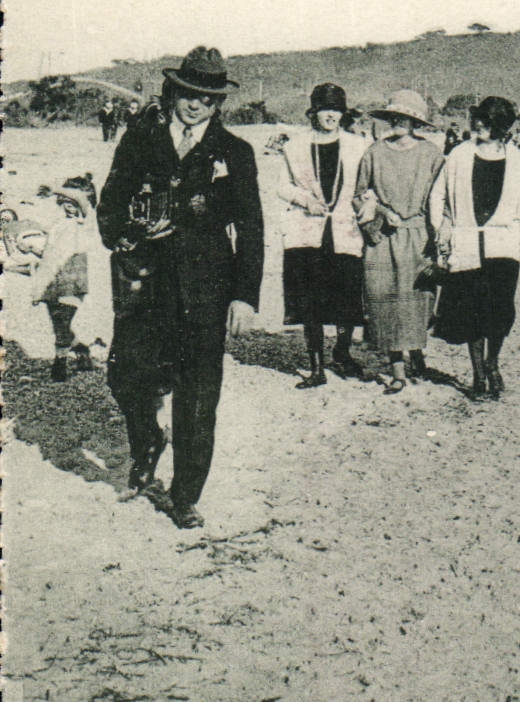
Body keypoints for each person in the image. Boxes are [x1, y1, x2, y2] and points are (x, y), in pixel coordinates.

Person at [98, 46, 263, 530]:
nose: (195, 105)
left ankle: (185, 494)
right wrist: (122, 234)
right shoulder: (140, 138)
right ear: (173, 93)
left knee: (197, 394)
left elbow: (251, 228)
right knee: (126, 376)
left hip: (206, 291)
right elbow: (111, 200)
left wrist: (243, 295)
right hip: (144, 284)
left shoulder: (235, 152)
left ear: (218, 103)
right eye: (188, 94)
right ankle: (148, 439)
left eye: (207, 99)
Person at [429, 96, 520, 400]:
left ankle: (493, 363)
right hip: (467, 243)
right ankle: (477, 373)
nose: (478, 125)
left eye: (486, 122)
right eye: (477, 119)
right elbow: (437, 196)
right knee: (472, 311)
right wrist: (441, 229)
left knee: (500, 311)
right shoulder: (459, 154)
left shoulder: (514, 157)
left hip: (504, 243)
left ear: (499, 127)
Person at [276, 83, 369, 388]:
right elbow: (283, 186)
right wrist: (306, 200)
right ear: (313, 113)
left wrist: (367, 205)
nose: (331, 116)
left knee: (347, 297)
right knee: (309, 301)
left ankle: (342, 351)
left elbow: (368, 185)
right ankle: (316, 366)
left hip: (345, 229)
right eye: (325, 110)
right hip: (307, 231)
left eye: (336, 110)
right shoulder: (295, 147)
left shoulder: (359, 146)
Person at [356, 89, 445, 394]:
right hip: (383, 237)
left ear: (415, 122)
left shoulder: (431, 154)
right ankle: (397, 369)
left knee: (418, 301)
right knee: (386, 301)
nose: (397, 122)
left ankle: (417, 353)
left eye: (404, 118)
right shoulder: (374, 153)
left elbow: (442, 198)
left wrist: (440, 235)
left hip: (420, 236)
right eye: (393, 117)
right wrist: (381, 211)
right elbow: (358, 195)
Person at [31, 175, 100, 380]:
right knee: (58, 323)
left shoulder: (87, 220)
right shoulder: (58, 225)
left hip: (74, 277)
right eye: (65, 203)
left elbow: (81, 198)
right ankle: (81, 349)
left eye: (72, 202)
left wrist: (55, 189)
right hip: (52, 278)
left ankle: (59, 364)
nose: (69, 206)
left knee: (63, 319)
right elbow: (49, 254)